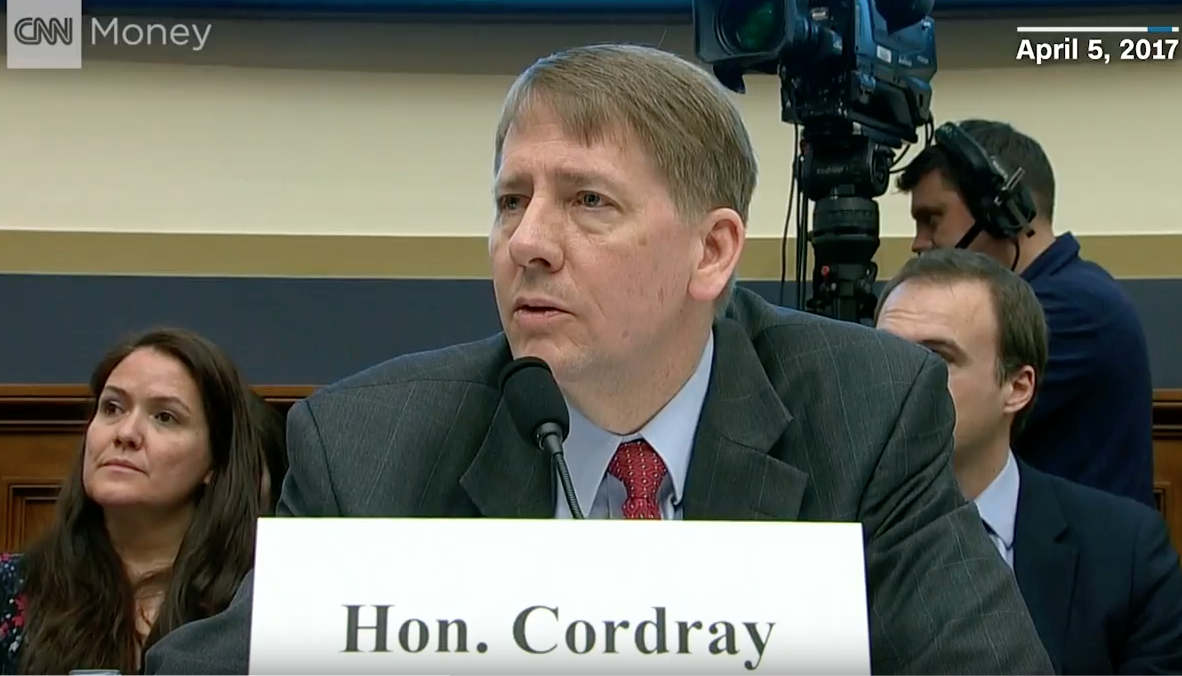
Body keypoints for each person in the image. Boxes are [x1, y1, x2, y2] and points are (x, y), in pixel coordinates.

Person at [145, 44, 1052, 675]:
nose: (526, 243)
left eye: (587, 201)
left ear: (712, 252)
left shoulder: (863, 411)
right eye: (511, 199)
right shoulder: (372, 441)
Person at [875, 249, 1182, 674]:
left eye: (936, 357)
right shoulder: (816, 538)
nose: (896, 378)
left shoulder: (1125, 554)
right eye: (884, 354)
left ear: (1017, 387)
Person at [895, 119, 1154, 507]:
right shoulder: (1077, 294)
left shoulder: (1078, 310)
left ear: (1000, 210)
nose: (918, 243)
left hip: (1075, 561)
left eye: (932, 219)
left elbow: (918, 425)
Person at [0, 328, 270, 674]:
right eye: (112, 408)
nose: (126, 433)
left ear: (215, 463)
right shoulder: (12, 587)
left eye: (165, 417)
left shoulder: (256, 602)